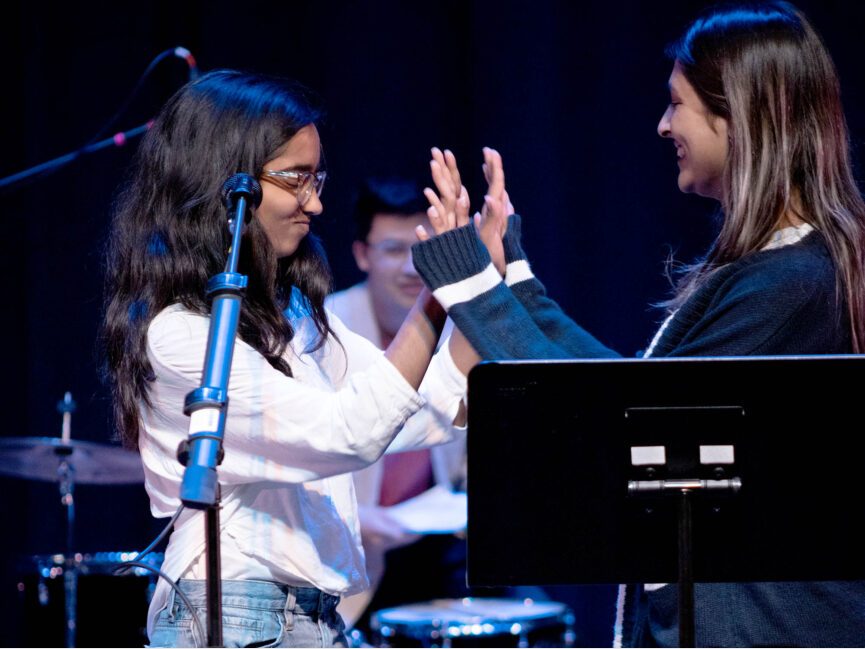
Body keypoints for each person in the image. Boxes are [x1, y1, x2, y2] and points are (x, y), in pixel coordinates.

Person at [410, 2, 865, 647]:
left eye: (676, 104)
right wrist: (510, 276)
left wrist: (466, 280)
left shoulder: (791, 282)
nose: (662, 125)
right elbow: (626, 392)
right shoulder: (784, 267)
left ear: (738, 115)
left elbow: (613, 421)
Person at [101, 70, 476, 648]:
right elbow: (344, 433)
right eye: (296, 180)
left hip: (303, 612)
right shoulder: (177, 333)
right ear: (227, 184)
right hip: (234, 605)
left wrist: (481, 285)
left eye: (316, 178)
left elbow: (417, 407)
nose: (316, 203)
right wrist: (434, 295)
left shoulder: (293, 310)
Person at [325, 177, 468, 631]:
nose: (411, 267)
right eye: (392, 249)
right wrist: (356, 515)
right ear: (362, 255)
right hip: (350, 550)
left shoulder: (454, 327)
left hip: (438, 546)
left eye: (423, 248)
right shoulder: (323, 331)